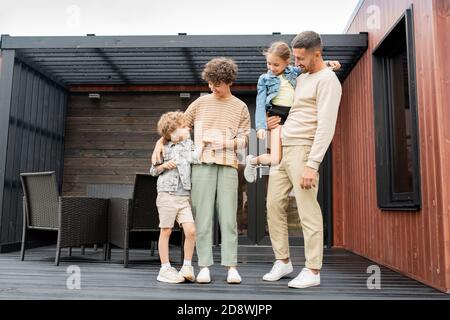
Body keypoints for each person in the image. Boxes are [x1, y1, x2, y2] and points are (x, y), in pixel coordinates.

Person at [152, 58, 251, 284]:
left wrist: (226, 143)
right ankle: (204, 266)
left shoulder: (240, 107)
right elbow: (176, 127)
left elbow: (245, 138)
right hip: (201, 166)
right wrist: (160, 142)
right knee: (203, 218)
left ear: (228, 82)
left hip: (228, 166)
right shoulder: (200, 103)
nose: (212, 87)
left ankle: (231, 267)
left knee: (228, 219)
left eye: (216, 83)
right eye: (209, 83)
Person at [262, 31, 342, 289]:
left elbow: (326, 126)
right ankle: (283, 261)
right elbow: (294, 109)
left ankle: (313, 270)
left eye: (300, 58)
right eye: (294, 58)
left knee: (308, 210)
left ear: (317, 53)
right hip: (283, 146)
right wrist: (276, 122)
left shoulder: (328, 81)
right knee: (273, 205)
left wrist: (312, 163)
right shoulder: (303, 77)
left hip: (304, 150)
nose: (295, 62)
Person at [244, 41, 340, 183]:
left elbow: (310, 66)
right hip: (276, 115)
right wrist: (261, 126)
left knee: (285, 157)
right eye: (269, 64)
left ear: (287, 62)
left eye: (276, 65)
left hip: (292, 116)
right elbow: (259, 102)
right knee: (275, 158)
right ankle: (252, 161)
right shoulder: (265, 79)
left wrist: (329, 64)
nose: (271, 68)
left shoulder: (293, 72)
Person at [150, 111, 205, 284]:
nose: (187, 128)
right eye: (182, 127)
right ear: (172, 131)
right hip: (167, 194)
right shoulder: (164, 148)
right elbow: (153, 170)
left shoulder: (189, 144)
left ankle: (187, 266)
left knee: (191, 231)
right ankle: (164, 268)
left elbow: (196, 158)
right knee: (166, 230)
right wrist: (164, 166)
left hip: (183, 197)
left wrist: (202, 144)